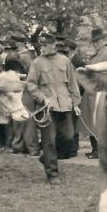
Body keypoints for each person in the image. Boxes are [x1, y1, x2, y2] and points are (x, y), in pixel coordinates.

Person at [26, 34, 81, 184]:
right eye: (41, 45)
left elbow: (73, 84)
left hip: (65, 106)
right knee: (49, 140)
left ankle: (46, 157)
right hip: (47, 108)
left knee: (68, 137)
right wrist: (42, 98)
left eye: (45, 45)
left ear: (53, 45)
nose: (42, 48)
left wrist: (76, 103)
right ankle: (52, 174)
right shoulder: (36, 63)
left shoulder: (65, 61)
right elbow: (31, 84)